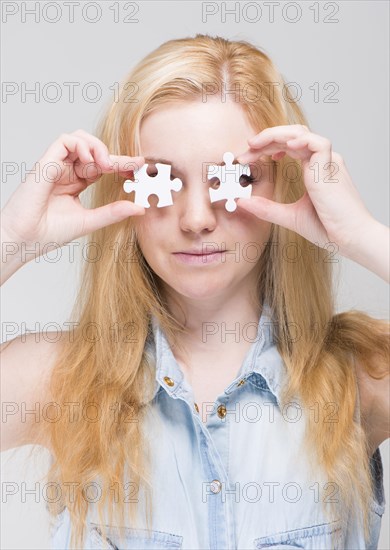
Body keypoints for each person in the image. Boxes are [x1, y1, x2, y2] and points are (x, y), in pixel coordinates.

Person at [1, 34, 389, 550]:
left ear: (284, 185)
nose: (197, 219)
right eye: (161, 179)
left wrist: (362, 236)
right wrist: (12, 240)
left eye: (234, 180)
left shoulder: (361, 378)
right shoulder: (57, 379)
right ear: (125, 189)